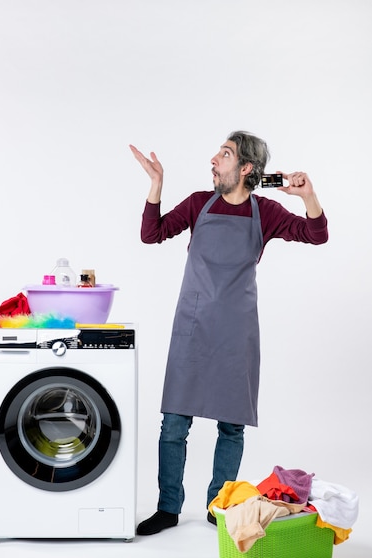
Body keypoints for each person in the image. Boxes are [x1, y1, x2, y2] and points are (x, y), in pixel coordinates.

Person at [129, 131, 328, 536]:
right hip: (192, 326)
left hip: (237, 334)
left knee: (231, 426)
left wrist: (308, 197)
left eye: (224, 154)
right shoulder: (199, 203)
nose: (214, 160)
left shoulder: (266, 212)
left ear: (246, 169)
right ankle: (168, 508)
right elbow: (152, 234)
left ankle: (217, 506)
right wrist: (156, 186)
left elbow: (316, 234)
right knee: (173, 424)